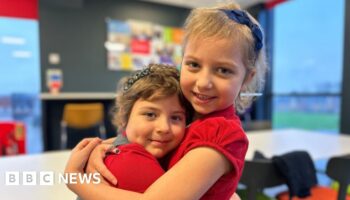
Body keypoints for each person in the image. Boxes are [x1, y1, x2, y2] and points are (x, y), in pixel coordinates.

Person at [65, 2, 267, 200]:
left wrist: (76, 181)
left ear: (247, 77)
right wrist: (106, 147)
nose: (203, 82)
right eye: (194, 64)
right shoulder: (190, 109)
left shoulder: (221, 134)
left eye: (223, 70)